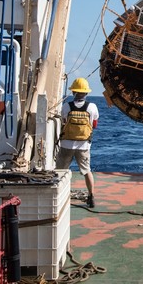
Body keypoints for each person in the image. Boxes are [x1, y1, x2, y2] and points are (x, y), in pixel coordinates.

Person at [57, 77, 99, 208]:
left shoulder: (66, 106)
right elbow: (95, 124)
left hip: (66, 144)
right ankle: (91, 197)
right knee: (87, 171)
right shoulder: (92, 107)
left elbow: (63, 123)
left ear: (74, 92)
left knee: (60, 171)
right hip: (84, 145)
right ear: (86, 93)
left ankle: (58, 197)